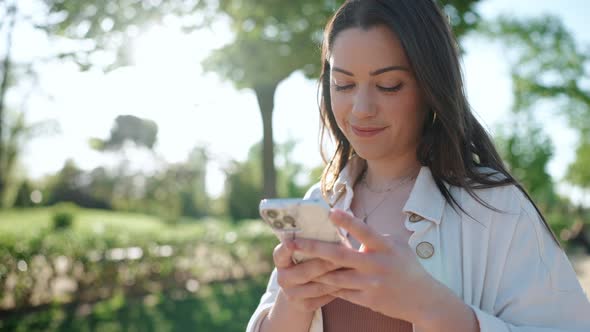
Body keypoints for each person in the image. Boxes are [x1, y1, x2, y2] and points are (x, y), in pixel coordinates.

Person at [247, 0, 590, 331]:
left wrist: (432, 306)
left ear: (430, 86)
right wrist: (293, 301)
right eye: (344, 84)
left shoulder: (497, 208)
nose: (361, 108)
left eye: (388, 85)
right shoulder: (317, 202)